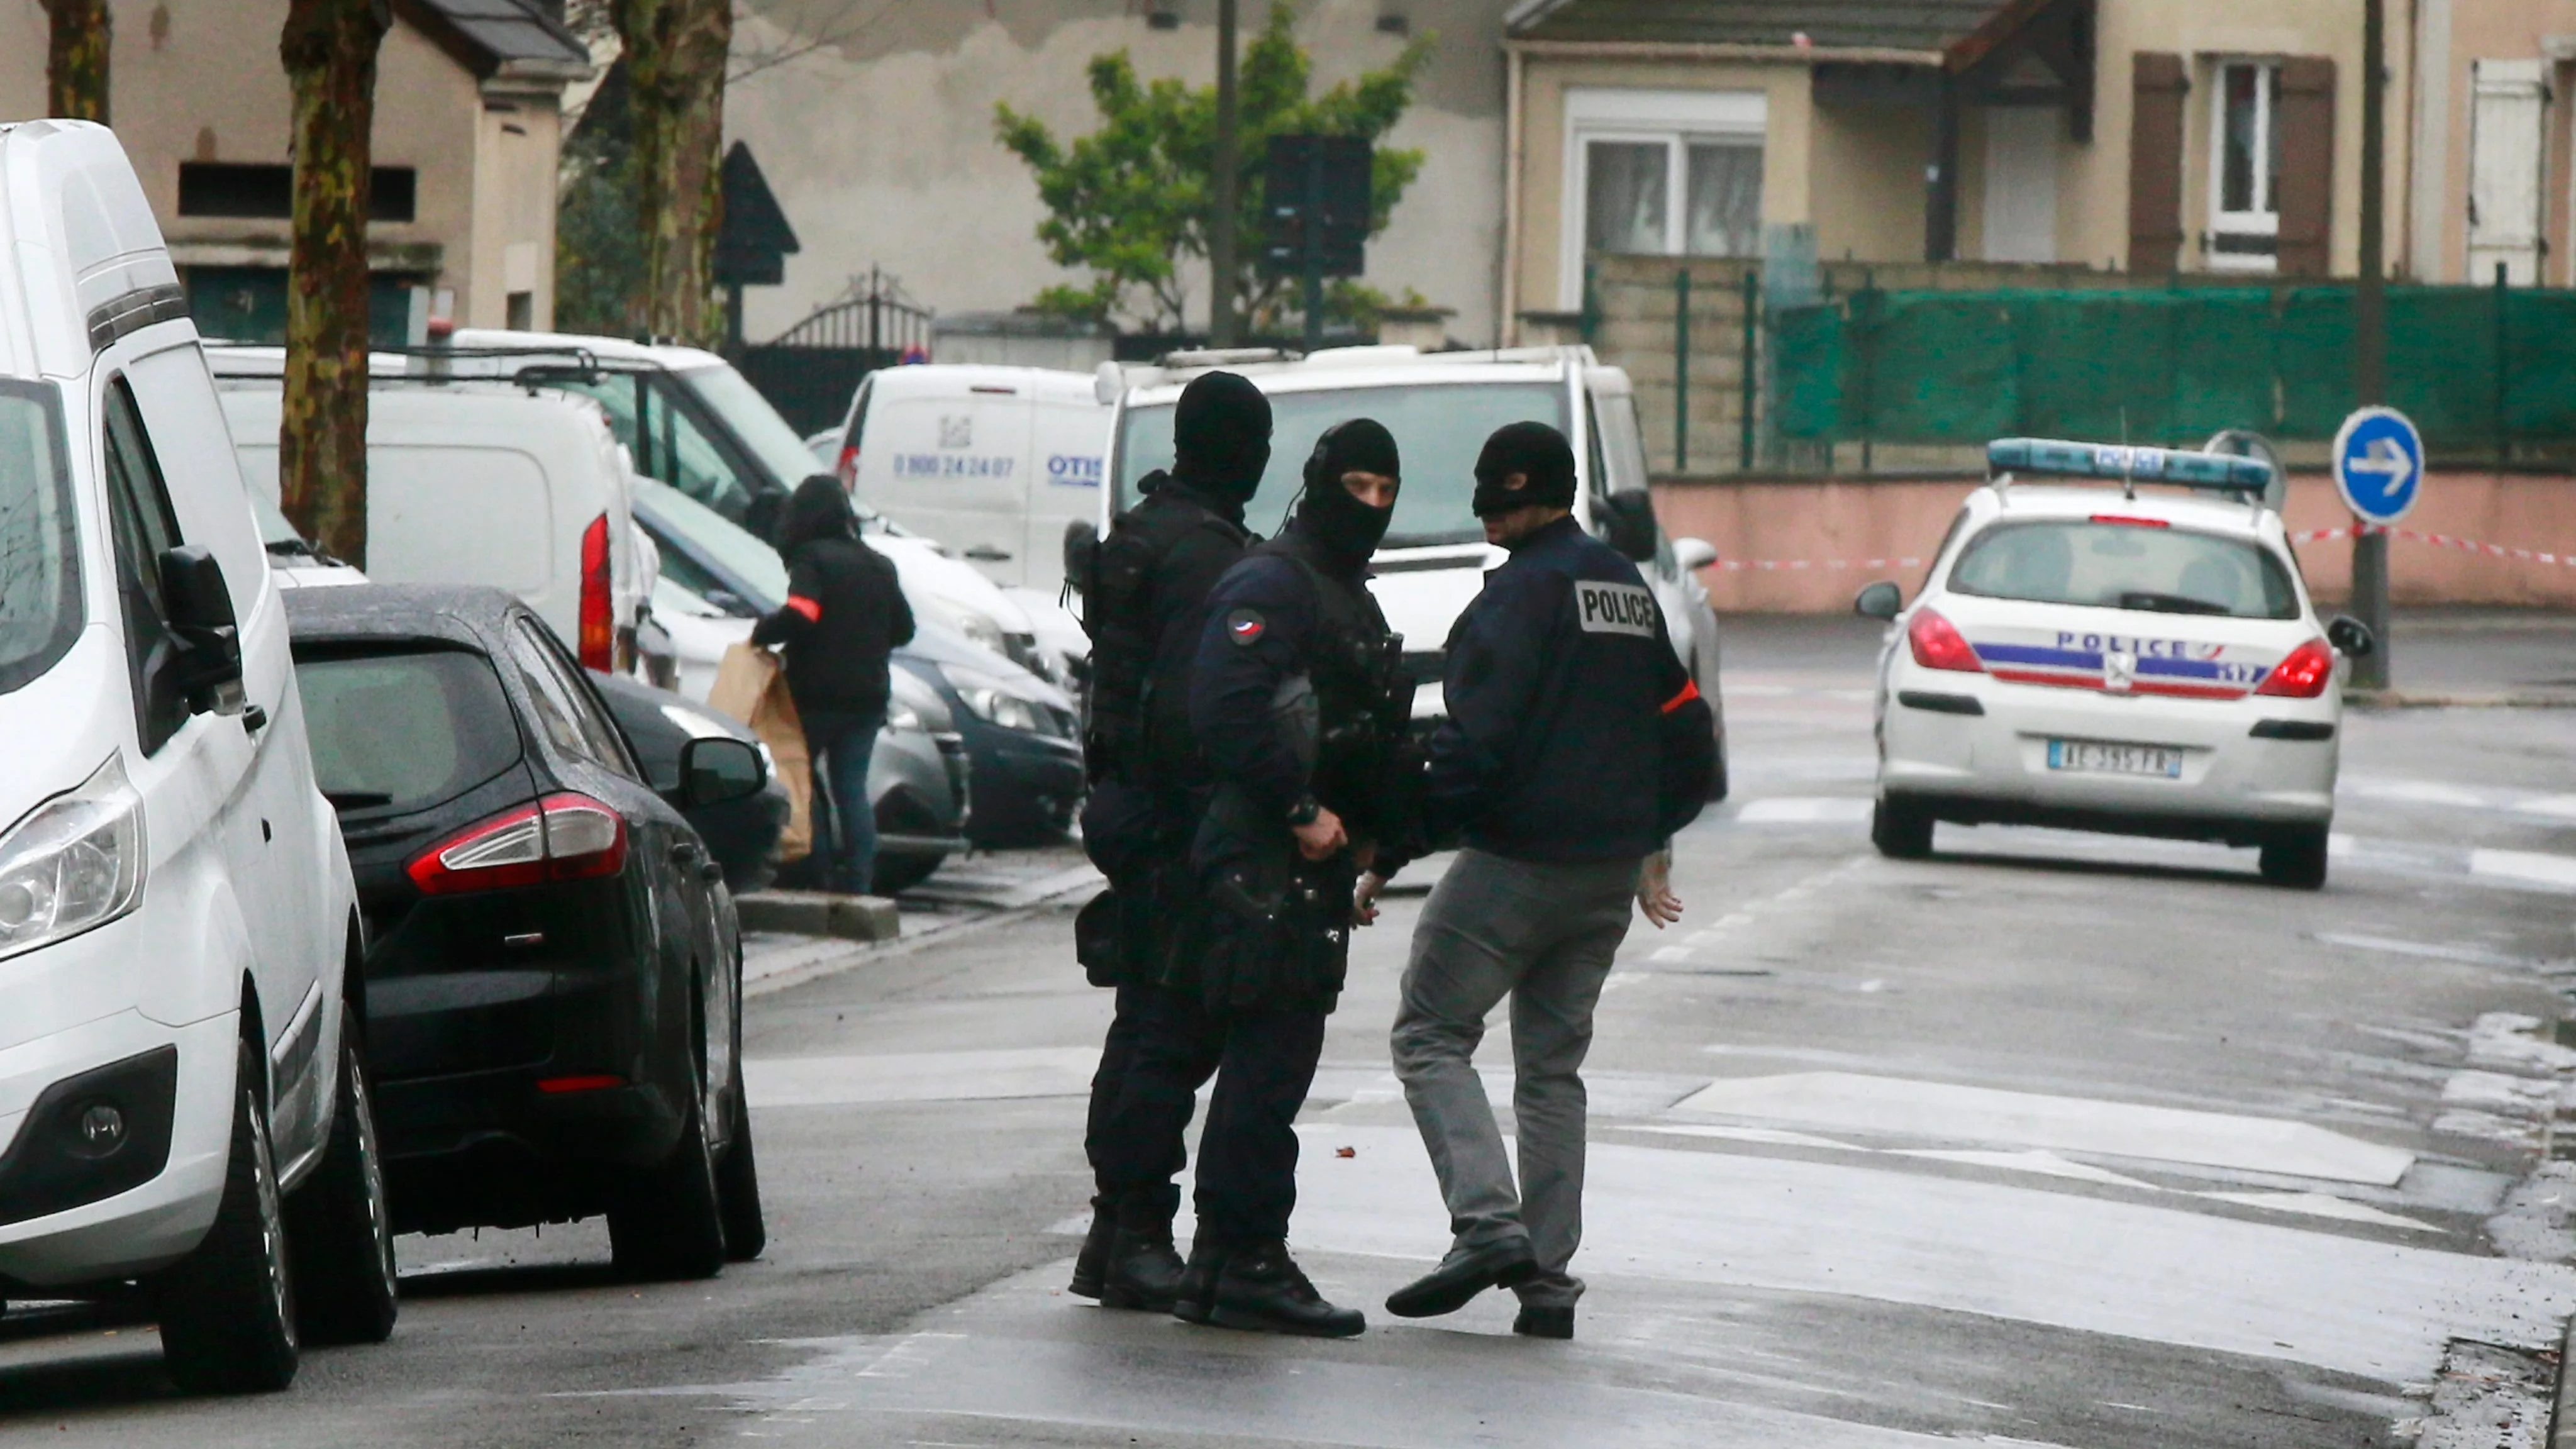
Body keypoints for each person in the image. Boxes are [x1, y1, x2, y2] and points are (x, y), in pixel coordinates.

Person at [1370, 421, 1714, 1341]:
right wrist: (1653, 841)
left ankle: (1488, 1228)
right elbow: (1687, 733)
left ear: (1493, 501)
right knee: (1552, 1072)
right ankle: (1548, 1280)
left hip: (1516, 864)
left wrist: (1390, 849)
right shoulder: (1623, 589)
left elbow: (1471, 750)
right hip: (1605, 874)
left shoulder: (1513, 599)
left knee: (1431, 1032)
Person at [1095, 418, 1420, 1339]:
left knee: (1261, 1063)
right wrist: (1301, 814)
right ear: (1317, 481)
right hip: (1262, 863)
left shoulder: (1335, 588)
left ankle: (1219, 1261)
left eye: (1386, 492)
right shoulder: (1274, 580)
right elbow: (1228, 710)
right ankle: (1240, 1258)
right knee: (1260, 1064)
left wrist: (1373, 841)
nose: (1372, 508)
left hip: (1298, 864)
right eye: (1356, 487)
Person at [1065, 372, 1270, 1311]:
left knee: (1145, 1022)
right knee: (1169, 1030)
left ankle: (1117, 1232)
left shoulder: (1138, 535)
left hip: (1120, 801)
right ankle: (1138, 1234)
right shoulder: (1207, 556)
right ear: (1247, 452)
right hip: (1174, 821)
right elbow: (1201, 712)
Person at [752, 474, 915, 896]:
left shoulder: (811, 558)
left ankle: (819, 870)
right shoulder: (880, 565)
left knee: (806, 781)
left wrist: (764, 632)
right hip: (868, 698)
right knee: (851, 788)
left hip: (816, 695)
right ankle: (860, 880)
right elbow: (905, 628)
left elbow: (803, 613)